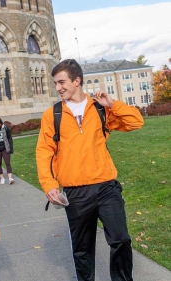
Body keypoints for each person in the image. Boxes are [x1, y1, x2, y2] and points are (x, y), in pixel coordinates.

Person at [36, 59, 143, 281]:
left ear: (77, 81)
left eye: (62, 82)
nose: (58, 88)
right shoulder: (52, 115)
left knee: (121, 239)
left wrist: (112, 105)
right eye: (56, 83)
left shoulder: (99, 108)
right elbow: (44, 152)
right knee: (82, 250)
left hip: (106, 186)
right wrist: (49, 186)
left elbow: (136, 122)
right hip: (76, 193)